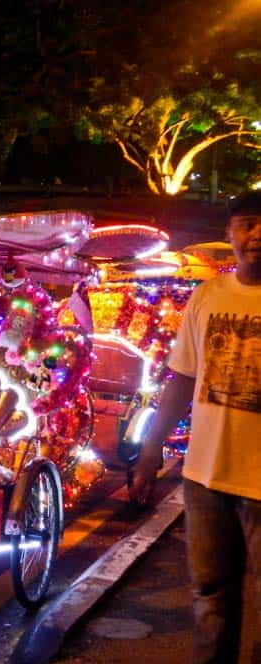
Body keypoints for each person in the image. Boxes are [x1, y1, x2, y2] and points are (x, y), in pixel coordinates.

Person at [131, 191, 261, 664]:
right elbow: (182, 379)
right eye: (246, 224)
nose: (257, 234)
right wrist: (150, 452)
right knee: (210, 601)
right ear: (230, 235)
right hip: (205, 479)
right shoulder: (207, 297)